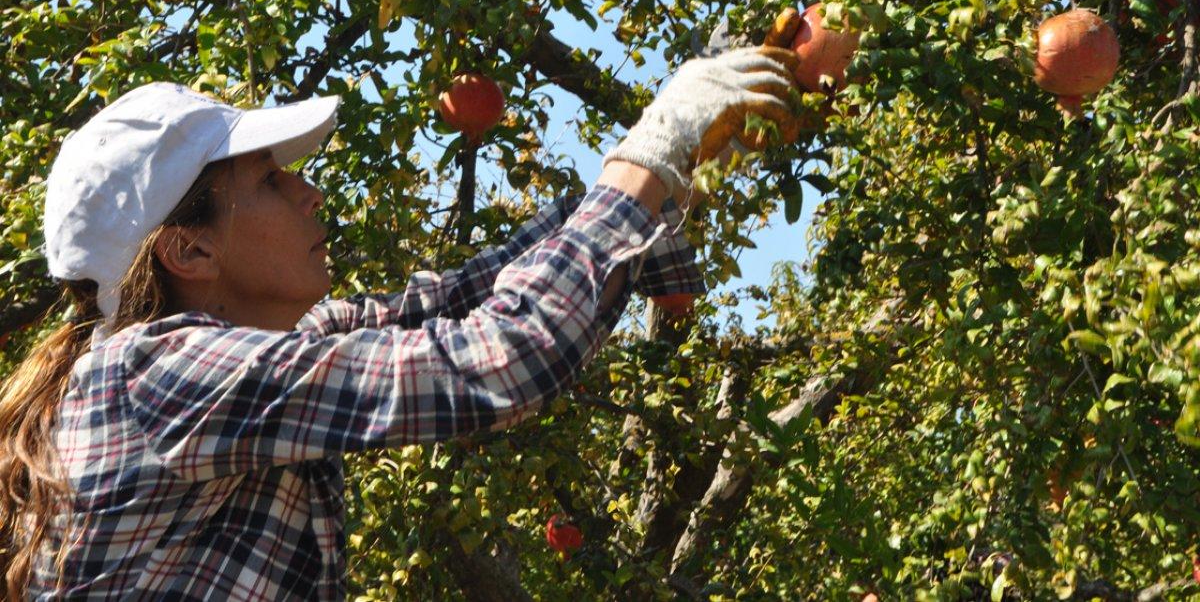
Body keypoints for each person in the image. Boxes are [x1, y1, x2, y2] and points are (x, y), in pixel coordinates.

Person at [0, 40, 801, 599]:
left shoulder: (260, 354)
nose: (310, 192)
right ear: (190, 250)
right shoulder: (152, 376)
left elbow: (454, 299)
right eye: (272, 182)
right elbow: (496, 360)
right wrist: (650, 155)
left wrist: (653, 177)